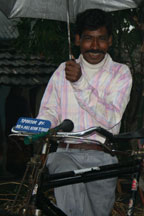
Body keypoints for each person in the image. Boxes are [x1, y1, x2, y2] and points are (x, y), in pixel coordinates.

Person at [37, 9, 132, 216]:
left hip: (102, 157)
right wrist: (40, 126)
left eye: (101, 39)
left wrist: (80, 82)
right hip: (65, 152)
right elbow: (49, 110)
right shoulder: (63, 70)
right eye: (88, 39)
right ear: (78, 39)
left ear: (110, 41)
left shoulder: (120, 73)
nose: (95, 46)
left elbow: (111, 118)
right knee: (71, 206)